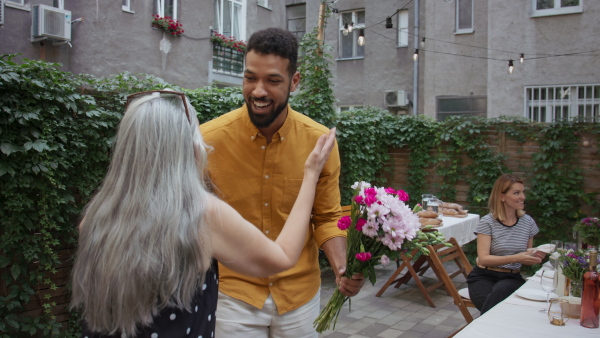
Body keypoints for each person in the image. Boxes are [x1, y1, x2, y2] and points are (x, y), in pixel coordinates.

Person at [69, 90, 337, 338]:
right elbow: (283, 256)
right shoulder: (201, 215)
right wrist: (311, 175)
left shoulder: (94, 219)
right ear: (188, 147)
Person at [200, 27, 365, 337]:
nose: (258, 91)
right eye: (250, 78)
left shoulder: (320, 142)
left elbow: (327, 217)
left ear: (295, 81)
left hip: (299, 296)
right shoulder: (207, 141)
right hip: (233, 293)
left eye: (273, 80)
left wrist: (344, 269)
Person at [466, 174, 546, 314]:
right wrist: (517, 258)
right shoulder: (487, 222)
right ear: (501, 196)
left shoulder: (528, 222)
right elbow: (484, 258)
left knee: (500, 293)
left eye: (522, 192)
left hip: (511, 277)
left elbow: (527, 258)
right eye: (516, 193)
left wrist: (535, 256)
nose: (522, 197)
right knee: (496, 310)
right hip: (483, 276)